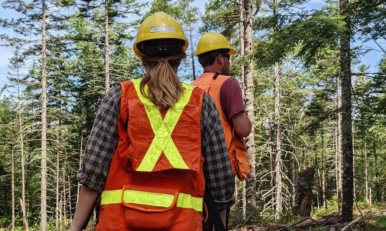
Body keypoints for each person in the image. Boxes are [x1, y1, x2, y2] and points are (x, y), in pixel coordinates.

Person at [70, 13, 234, 231]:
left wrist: (75, 228)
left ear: (141, 56)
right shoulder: (202, 103)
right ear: (181, 56)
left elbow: (93, 173)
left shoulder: (119, 97)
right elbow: (221, 183)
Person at [192, 32, 252, 210]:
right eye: (228, 57)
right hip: (220, 164)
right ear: (220, 58)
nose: (229, 62)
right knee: (219, 218)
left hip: (194, 164)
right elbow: (243, 129)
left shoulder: (191, 87)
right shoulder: (228, 83)